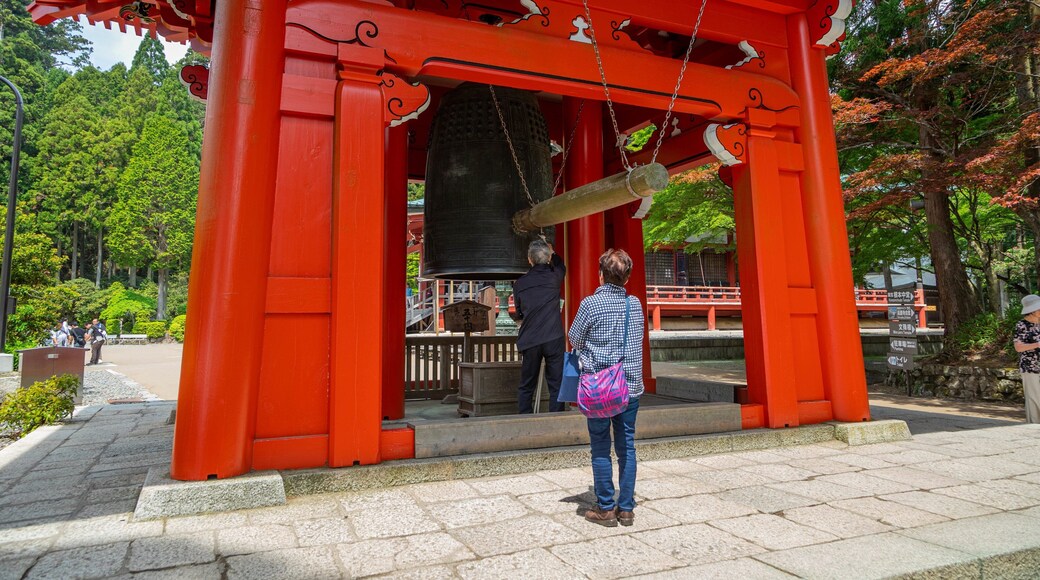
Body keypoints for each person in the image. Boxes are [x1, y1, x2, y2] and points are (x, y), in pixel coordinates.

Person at [568, 249, 645, 527]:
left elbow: (574, 338)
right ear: (627, 277)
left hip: (600, 386)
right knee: (627, 446)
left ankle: (605, 508)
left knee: (601, 447)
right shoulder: (634, 304)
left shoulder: (590, 304)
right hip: (630, 385)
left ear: (600, 275)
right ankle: (626, 508)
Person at [512, 239, 567, 414]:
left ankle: (525, 420)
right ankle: (556, 419)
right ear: (548, 257)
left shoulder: (520, 283)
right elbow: (561, 265)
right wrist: (553, 253)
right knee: (556, 383)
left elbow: (519, 313)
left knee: (527, 384)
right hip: (553, 336)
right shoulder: (555, 276)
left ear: (530, 259)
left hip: (531, 338)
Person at [1014, 294, 1040, 423]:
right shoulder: (1022, 325)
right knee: (1033, 397)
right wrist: (1037, 344)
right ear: (1033, 311)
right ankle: (1034, 425)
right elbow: (1018, 347)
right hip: (1030, 366)